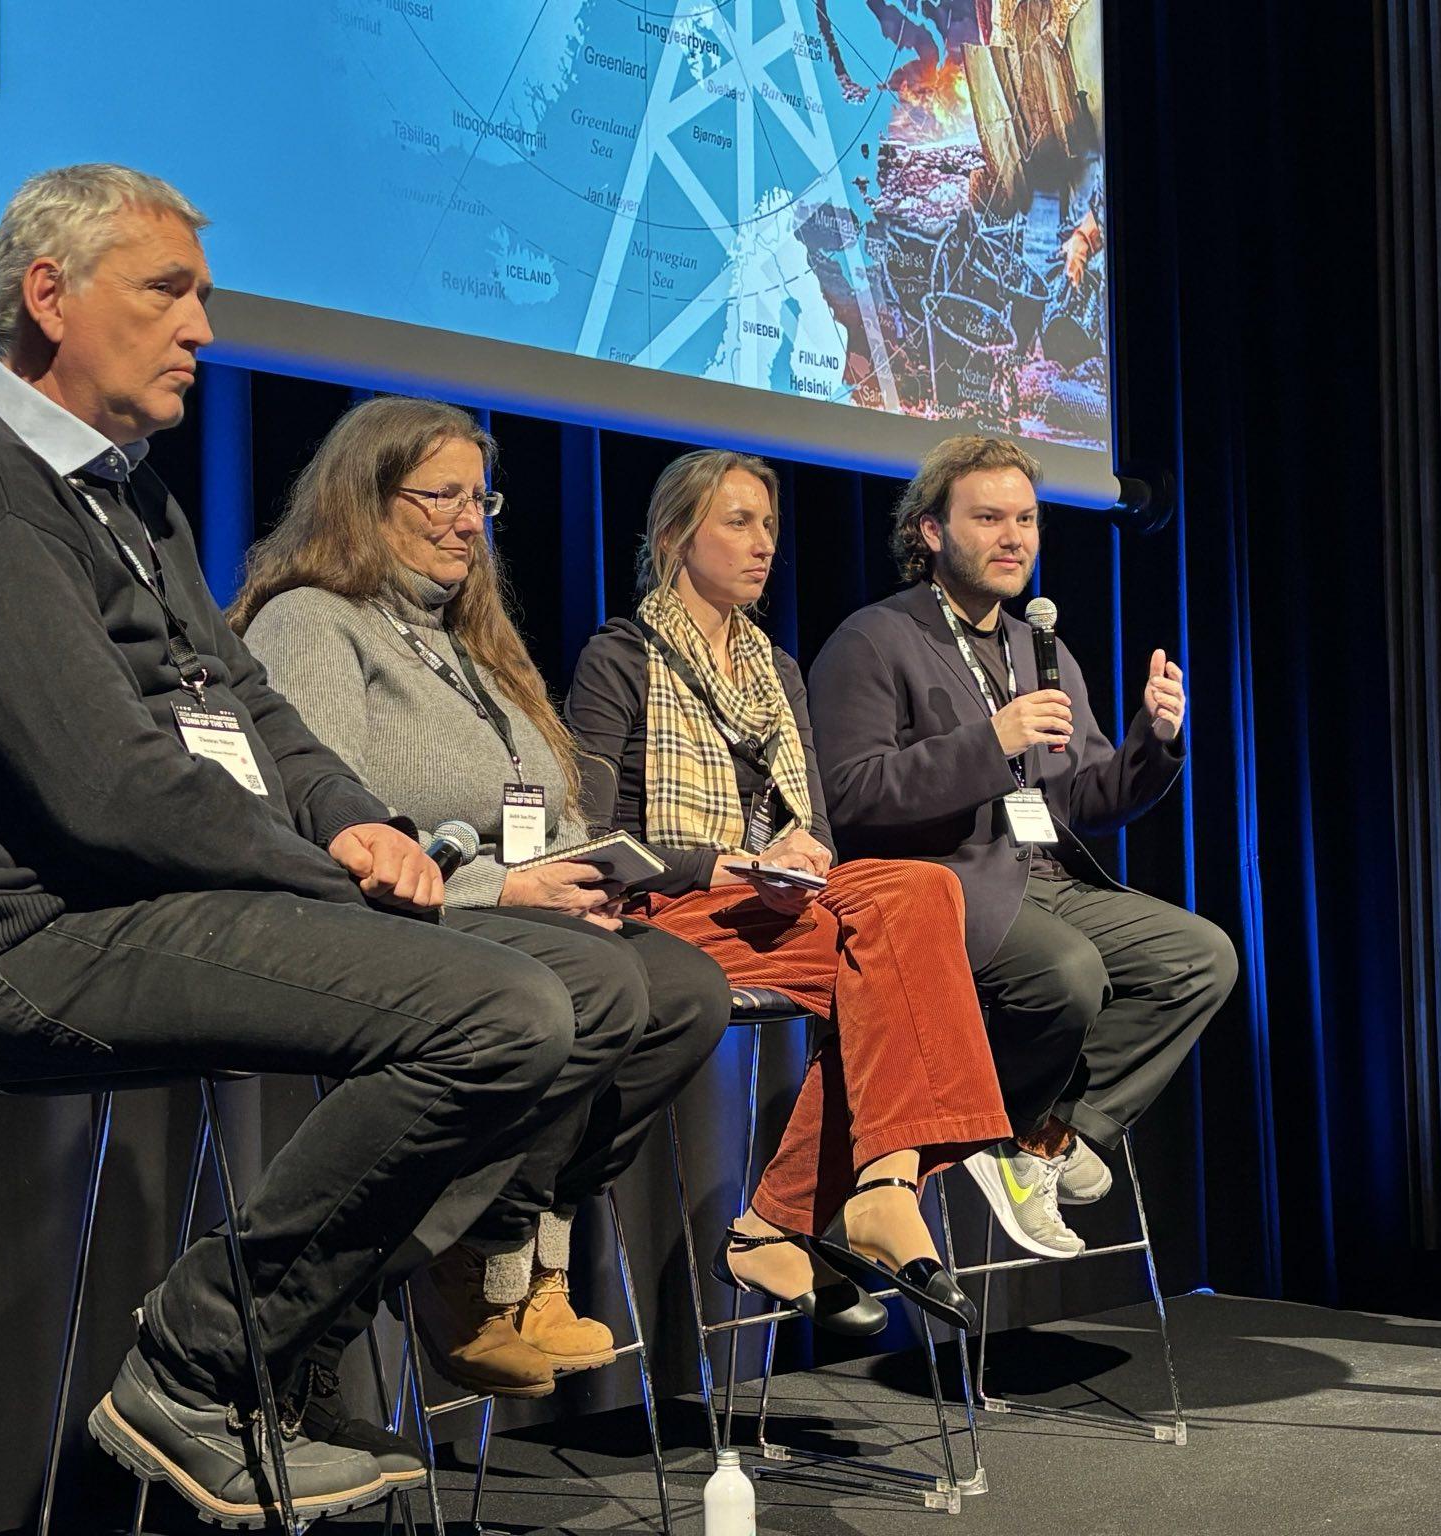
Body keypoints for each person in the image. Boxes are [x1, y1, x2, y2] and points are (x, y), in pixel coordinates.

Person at [0, 165, 635, 1527]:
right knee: (499, 1011)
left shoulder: (128, 497)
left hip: (168, 904)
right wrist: (339, 878)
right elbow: (107, 791)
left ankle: (283, 1361)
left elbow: (250, 710)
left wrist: (361, 825)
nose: (205, 327)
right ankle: (205, 1366)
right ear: (50, 298)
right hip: (36, 945)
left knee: (595, 986)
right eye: (168, 292)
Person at [232, 395, 729, 1399]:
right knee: (599, 985)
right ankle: (472, 1262)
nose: (471, 521)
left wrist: (593, 871)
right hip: (395, 918)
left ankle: (529, 1248)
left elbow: (543, 807)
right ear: (365, 502)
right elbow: (330, 824)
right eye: (442, 498)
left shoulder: (468, 643)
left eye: (480, 498)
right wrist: (509, 885)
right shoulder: (312, 624)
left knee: (684, 991)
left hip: (513, 909)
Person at [566, 449, 1015, 1332]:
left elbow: (812, 815)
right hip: (668, 910)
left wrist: (801, 849)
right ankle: (801, 1212)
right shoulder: (620, 658)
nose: (763, 543)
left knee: (920, 896)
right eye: (737, 522)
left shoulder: (776, 668)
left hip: (777, 905)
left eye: (768, 524)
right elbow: (591, 837)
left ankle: (865, 1190)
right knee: (892, 969)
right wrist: (717, 865)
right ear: (673, 538)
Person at [806, 435, 1237, 1259]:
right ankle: (991, 1132)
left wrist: (1155, 743)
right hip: (943, 883)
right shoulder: (873, 640)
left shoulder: (1040, 648)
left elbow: (1085, 796)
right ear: (931, 532)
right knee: (1067, 974)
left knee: (1201, 958)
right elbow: (851, 794)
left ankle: (1040, 1135)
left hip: (1044, 878)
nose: (1016, 538)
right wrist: (989, 741)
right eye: (991, 518)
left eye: (1029, 520)